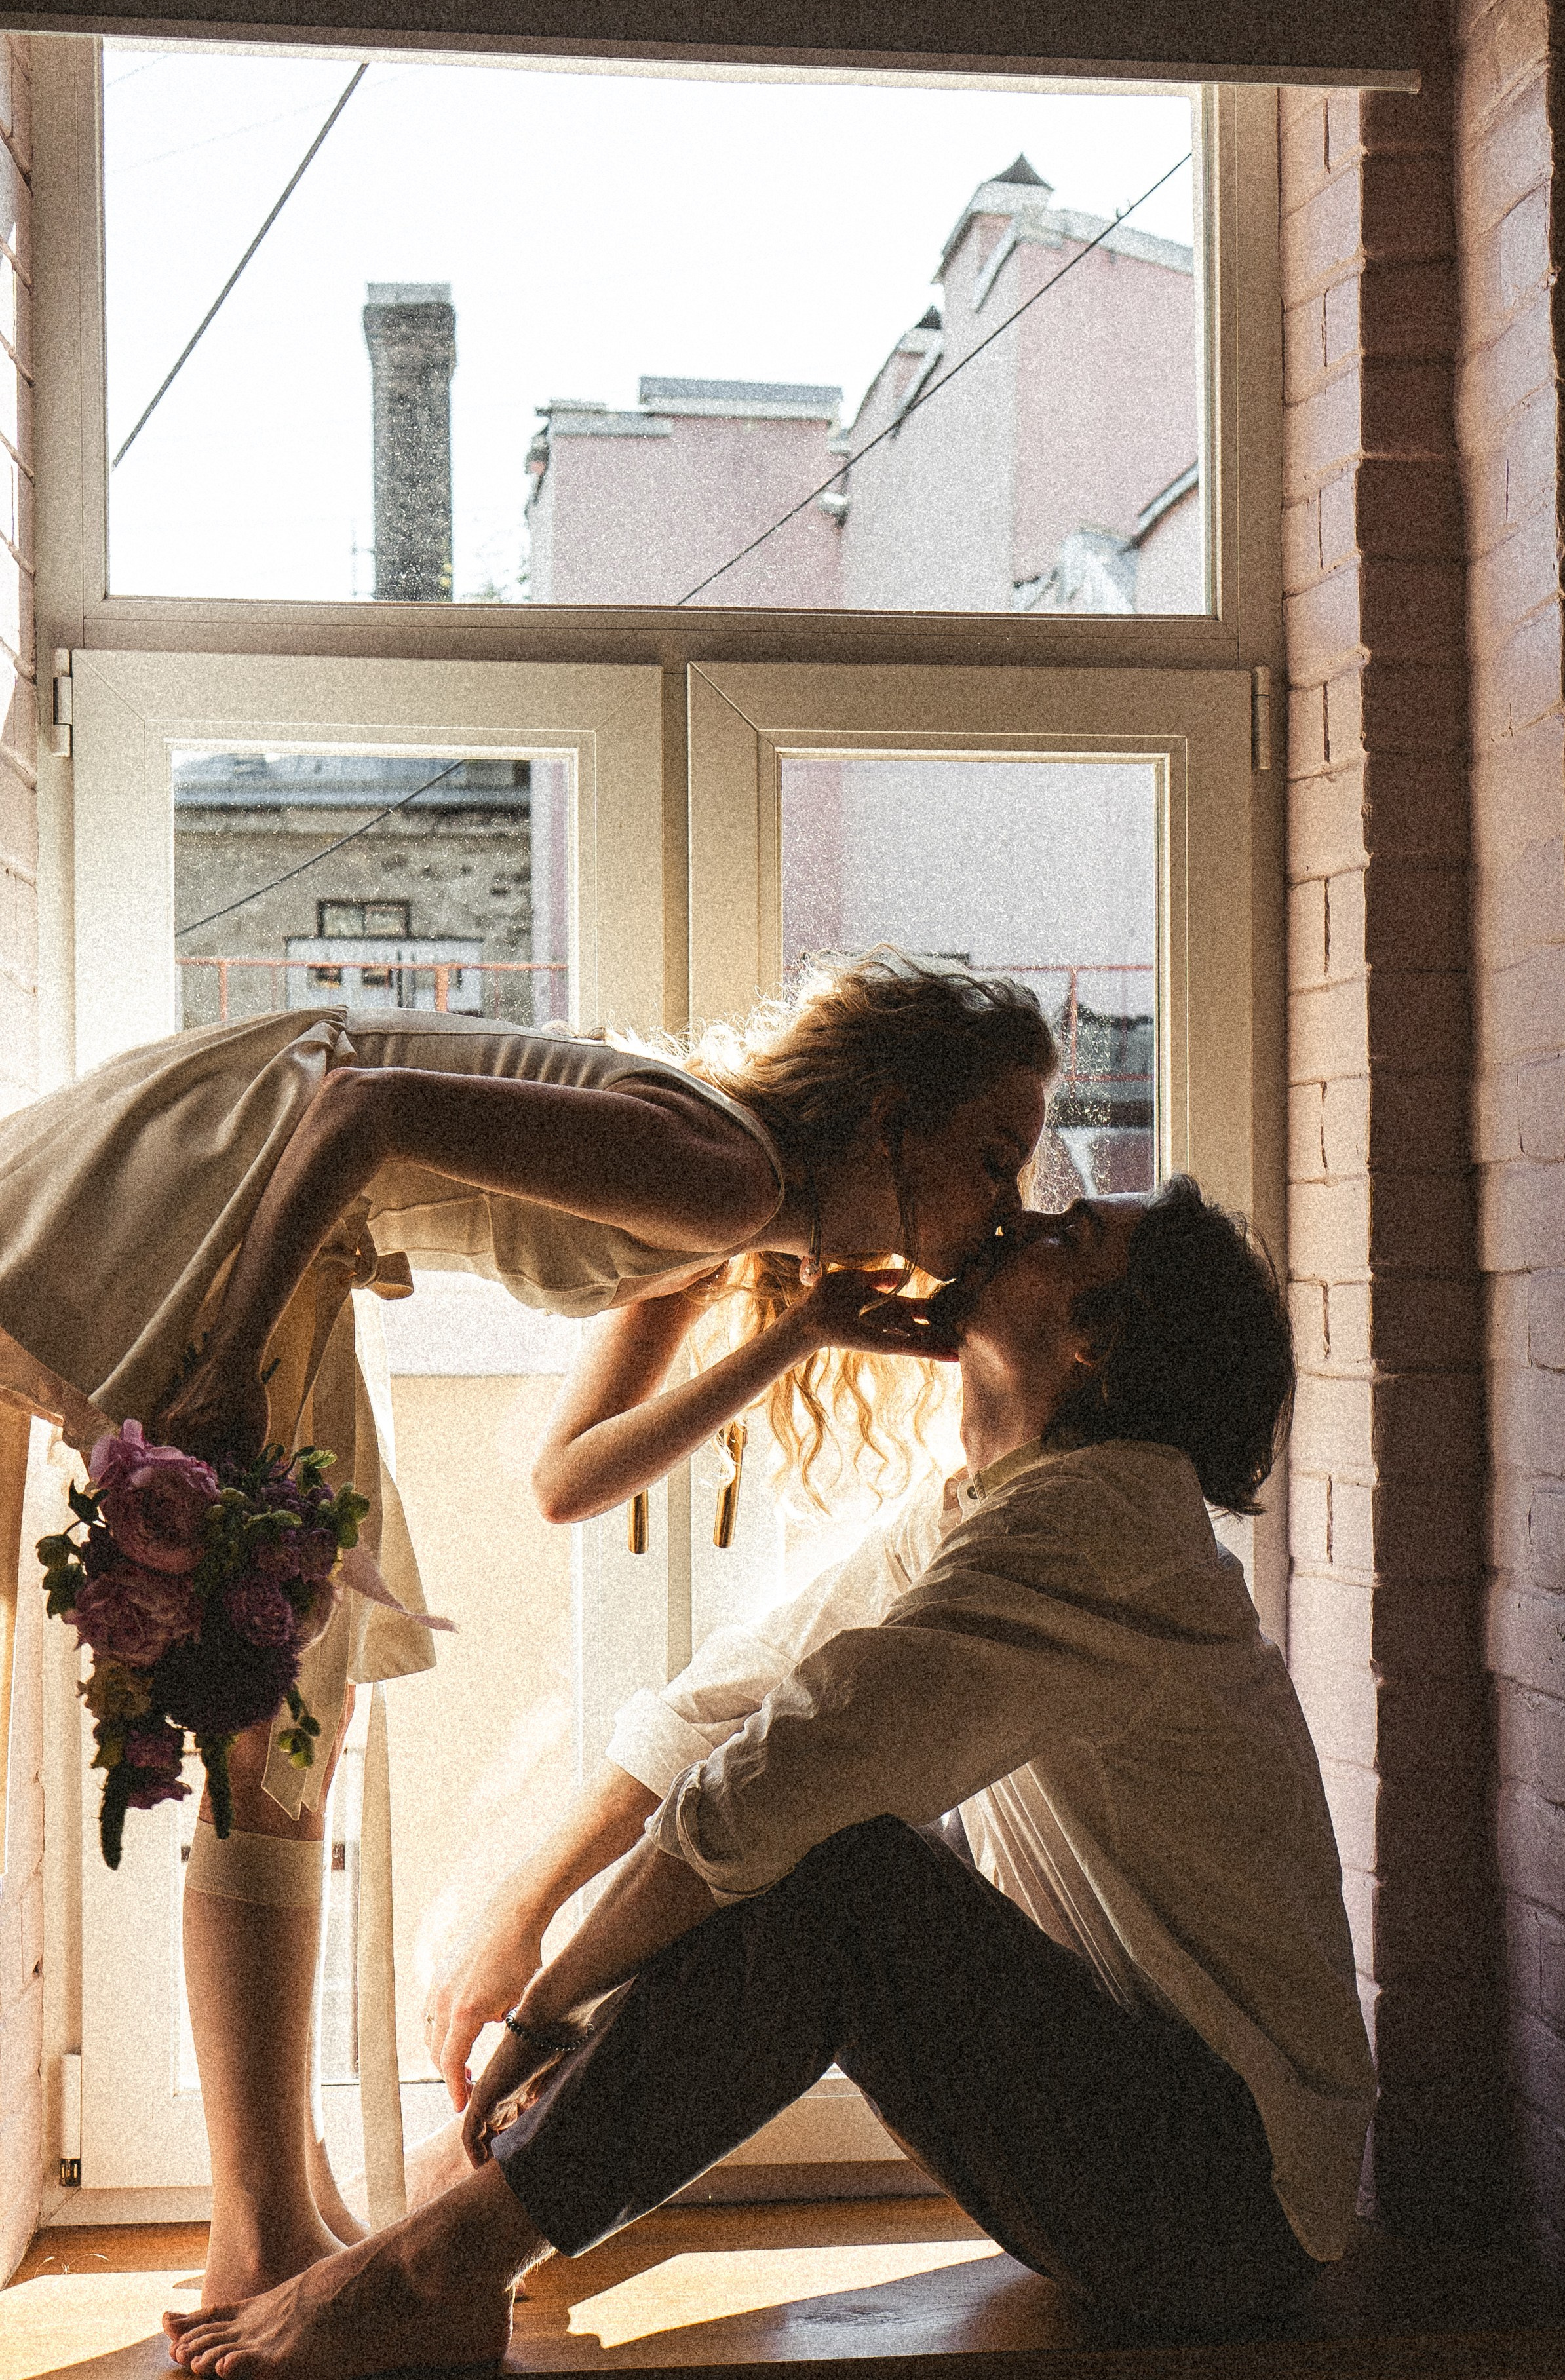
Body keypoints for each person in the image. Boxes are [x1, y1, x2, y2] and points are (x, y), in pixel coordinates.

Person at [163, 1179, 1378, 2380]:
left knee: (840, 1870)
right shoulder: (992, 1506)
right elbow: (739, 1696)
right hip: (1153, 2151)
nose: (1019, 1219)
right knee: (806, 1829)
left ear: (1090, 1343)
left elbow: (778, 1778)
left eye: (1071, 1238)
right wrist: (527, 1907)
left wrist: (547, 2007)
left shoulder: (1105, 1525)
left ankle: (443, 2263)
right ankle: (468, 2227)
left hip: (1226, 2211)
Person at [0, 950, 1055, 2309]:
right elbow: (357, 1109)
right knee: (271, 1735)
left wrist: (796, 1334)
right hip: (226, 1188)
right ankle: (256, 2235)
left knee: (287, 1728)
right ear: (892, 1119)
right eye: (991, 1155)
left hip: (266, 1199)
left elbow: (569, 1479)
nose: (1006, 1204)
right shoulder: (721, 1174)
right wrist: (226, 1357)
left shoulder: (732, 1209)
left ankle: (275, 2204)